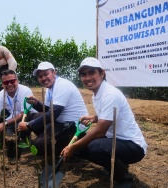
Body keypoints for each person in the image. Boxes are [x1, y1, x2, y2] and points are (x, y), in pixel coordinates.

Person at [60, 57, 148, 185]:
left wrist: (72, 147)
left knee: (96, 147)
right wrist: (93, 118)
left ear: (102, 73)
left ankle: (125, 179)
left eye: (91, 73)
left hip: (133, 146)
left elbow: (100, 132)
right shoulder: (97, 94)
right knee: (83, 148)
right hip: (115, 141)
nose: (87, 77)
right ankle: (117, 166)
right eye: (83, 74)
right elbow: (107, 115)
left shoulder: (110, 94)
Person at [18, 62, 88, 156]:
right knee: (32, 117)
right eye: (40, 76)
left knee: (38, 145)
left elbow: (52, 115)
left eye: (46, 74)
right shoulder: (50, 89)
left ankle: (70, 150)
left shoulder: (62, 85)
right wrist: (36, 103)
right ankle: (50, 140)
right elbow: (48, 110)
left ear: (54, 72)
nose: (43, 78)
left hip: (73, 126)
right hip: (60, 122)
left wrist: (29, 125)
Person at [0, 69, 38, 162]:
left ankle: (25, 139)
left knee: (19, 125)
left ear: (17, 80)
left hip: (27, 117)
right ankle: (0, 138)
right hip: (12, 115)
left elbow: (23, 114)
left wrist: (5, 123)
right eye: (6, 82)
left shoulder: (25, 91)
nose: (9, 84)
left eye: (12, 81)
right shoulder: (1, 95)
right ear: (2, 84)